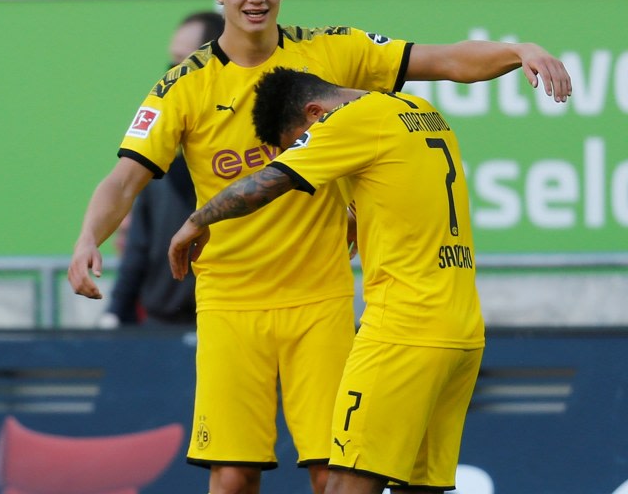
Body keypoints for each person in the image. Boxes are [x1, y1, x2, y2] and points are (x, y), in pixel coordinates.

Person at [67, 0, 571, 494]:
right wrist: (88, 237)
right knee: (232, 476)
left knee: (335, 469)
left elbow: (446, 61)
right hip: (230, 300)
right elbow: (125, 178)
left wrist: (519, 50)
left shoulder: (333, 52)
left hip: (321, 296)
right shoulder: (183, 86)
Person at [169, 67, 485, 494]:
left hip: (402, 330)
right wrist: (358, 214)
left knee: (345, 483)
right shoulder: (419, 110)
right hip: (461, 329)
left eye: (299, 142)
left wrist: (197, 220)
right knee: (418, 486)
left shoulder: (349, 119)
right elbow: (399, 185)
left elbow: (268, 183)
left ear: (315, 113)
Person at [104, 10, 224, 326]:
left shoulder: (252, 158)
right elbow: (137, 249)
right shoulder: (158, 162)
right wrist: (116, 312)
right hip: (162, 325)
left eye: (182, 64)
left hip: (229, 320)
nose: (171, 76)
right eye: (172, 64)